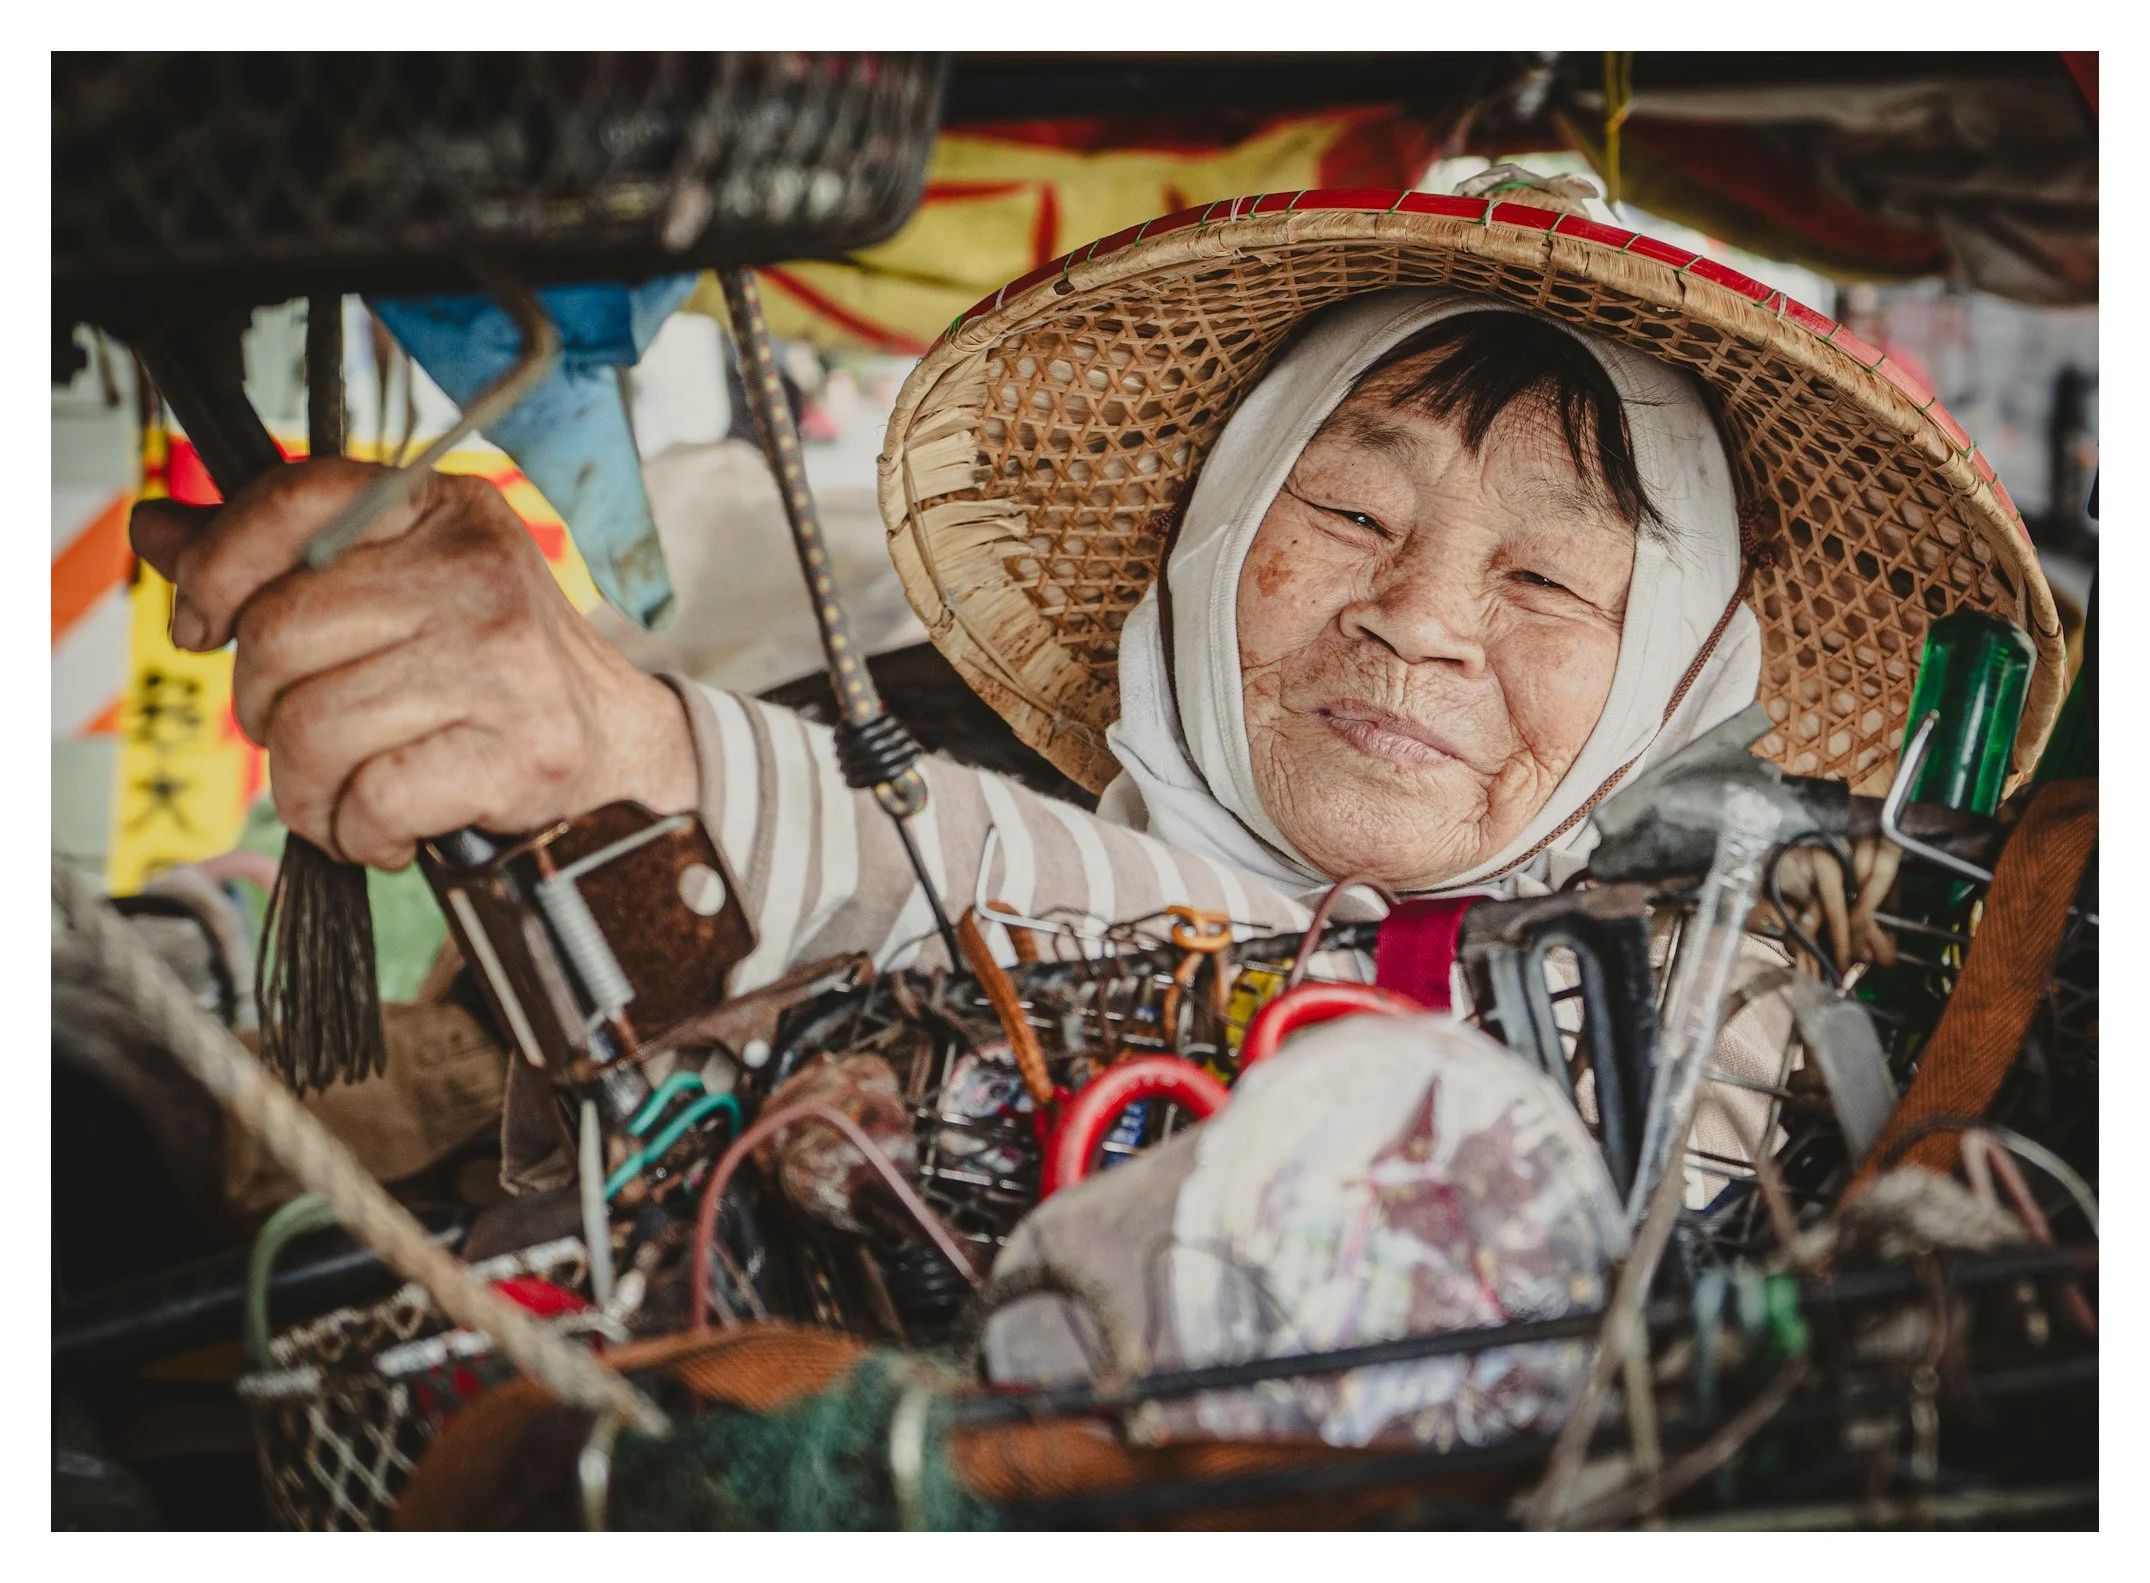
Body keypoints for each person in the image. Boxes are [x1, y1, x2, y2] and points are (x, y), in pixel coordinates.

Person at [129, 187, 2064, 1191]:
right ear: (1215, 539)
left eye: (1551, 574)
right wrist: (634, 746)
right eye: (1346, 505)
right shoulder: (960, 818)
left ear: (1674, 676)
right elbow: (928, 871)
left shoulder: (1759, 1050)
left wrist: (643, 736)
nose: (1420, 619)